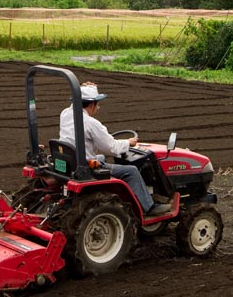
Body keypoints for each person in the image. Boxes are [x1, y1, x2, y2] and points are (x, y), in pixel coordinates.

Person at [59, 81, 172, 216]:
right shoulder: (91, 123)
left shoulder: (65, 114)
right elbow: (111, 148)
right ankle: (149, 207)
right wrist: (128, 143)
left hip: (71, 162)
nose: (98, 107)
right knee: (131, 171)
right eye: (97, 104)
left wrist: (85, 88)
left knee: (100, 158)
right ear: (91, 104)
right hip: (84, 167)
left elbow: (74, 106)